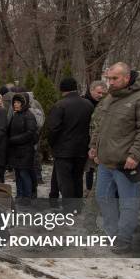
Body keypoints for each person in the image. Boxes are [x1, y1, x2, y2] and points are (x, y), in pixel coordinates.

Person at [89, 62, 140, 253]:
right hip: (106, 162)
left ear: (127, 78)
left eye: (114, 78)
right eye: (108, 78)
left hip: (127, 163)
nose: (110, 82)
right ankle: (111, 234)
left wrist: (136, 155)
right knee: (103, 198)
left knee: (128, 203)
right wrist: (94, 146)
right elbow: (101, 125)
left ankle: (123, 239)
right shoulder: (110, 98)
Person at [47, 78, 94, 211]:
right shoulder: (88, 105)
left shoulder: (60, 105)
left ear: (62, 90)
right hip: (82, 148)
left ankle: (69, 209)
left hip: (63, 149)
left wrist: (52, 145)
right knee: (77, 178)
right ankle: (77, 207)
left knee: (65, 180)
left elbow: (53, 129)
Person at [8, 93, 38, 204]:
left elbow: (30, 133)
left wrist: (14, 139)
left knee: (24, 173)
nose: (16, 104)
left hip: (26, 150)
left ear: (23, 104)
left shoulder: (29, 115)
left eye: (18, 102)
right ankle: (19, 195)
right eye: (14, 102)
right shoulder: (16, 115)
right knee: (18, 174)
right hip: (16, 150)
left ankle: (27, 196)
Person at [83, 81, 107, 194]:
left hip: (99, 142)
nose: (100, 95)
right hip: (85, 140)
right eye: (98, 92)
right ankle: (88, 189)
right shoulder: (84, 102)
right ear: (91, 90)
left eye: (103, 93)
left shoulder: (104, 104)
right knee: (89, 168)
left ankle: (95, 191)